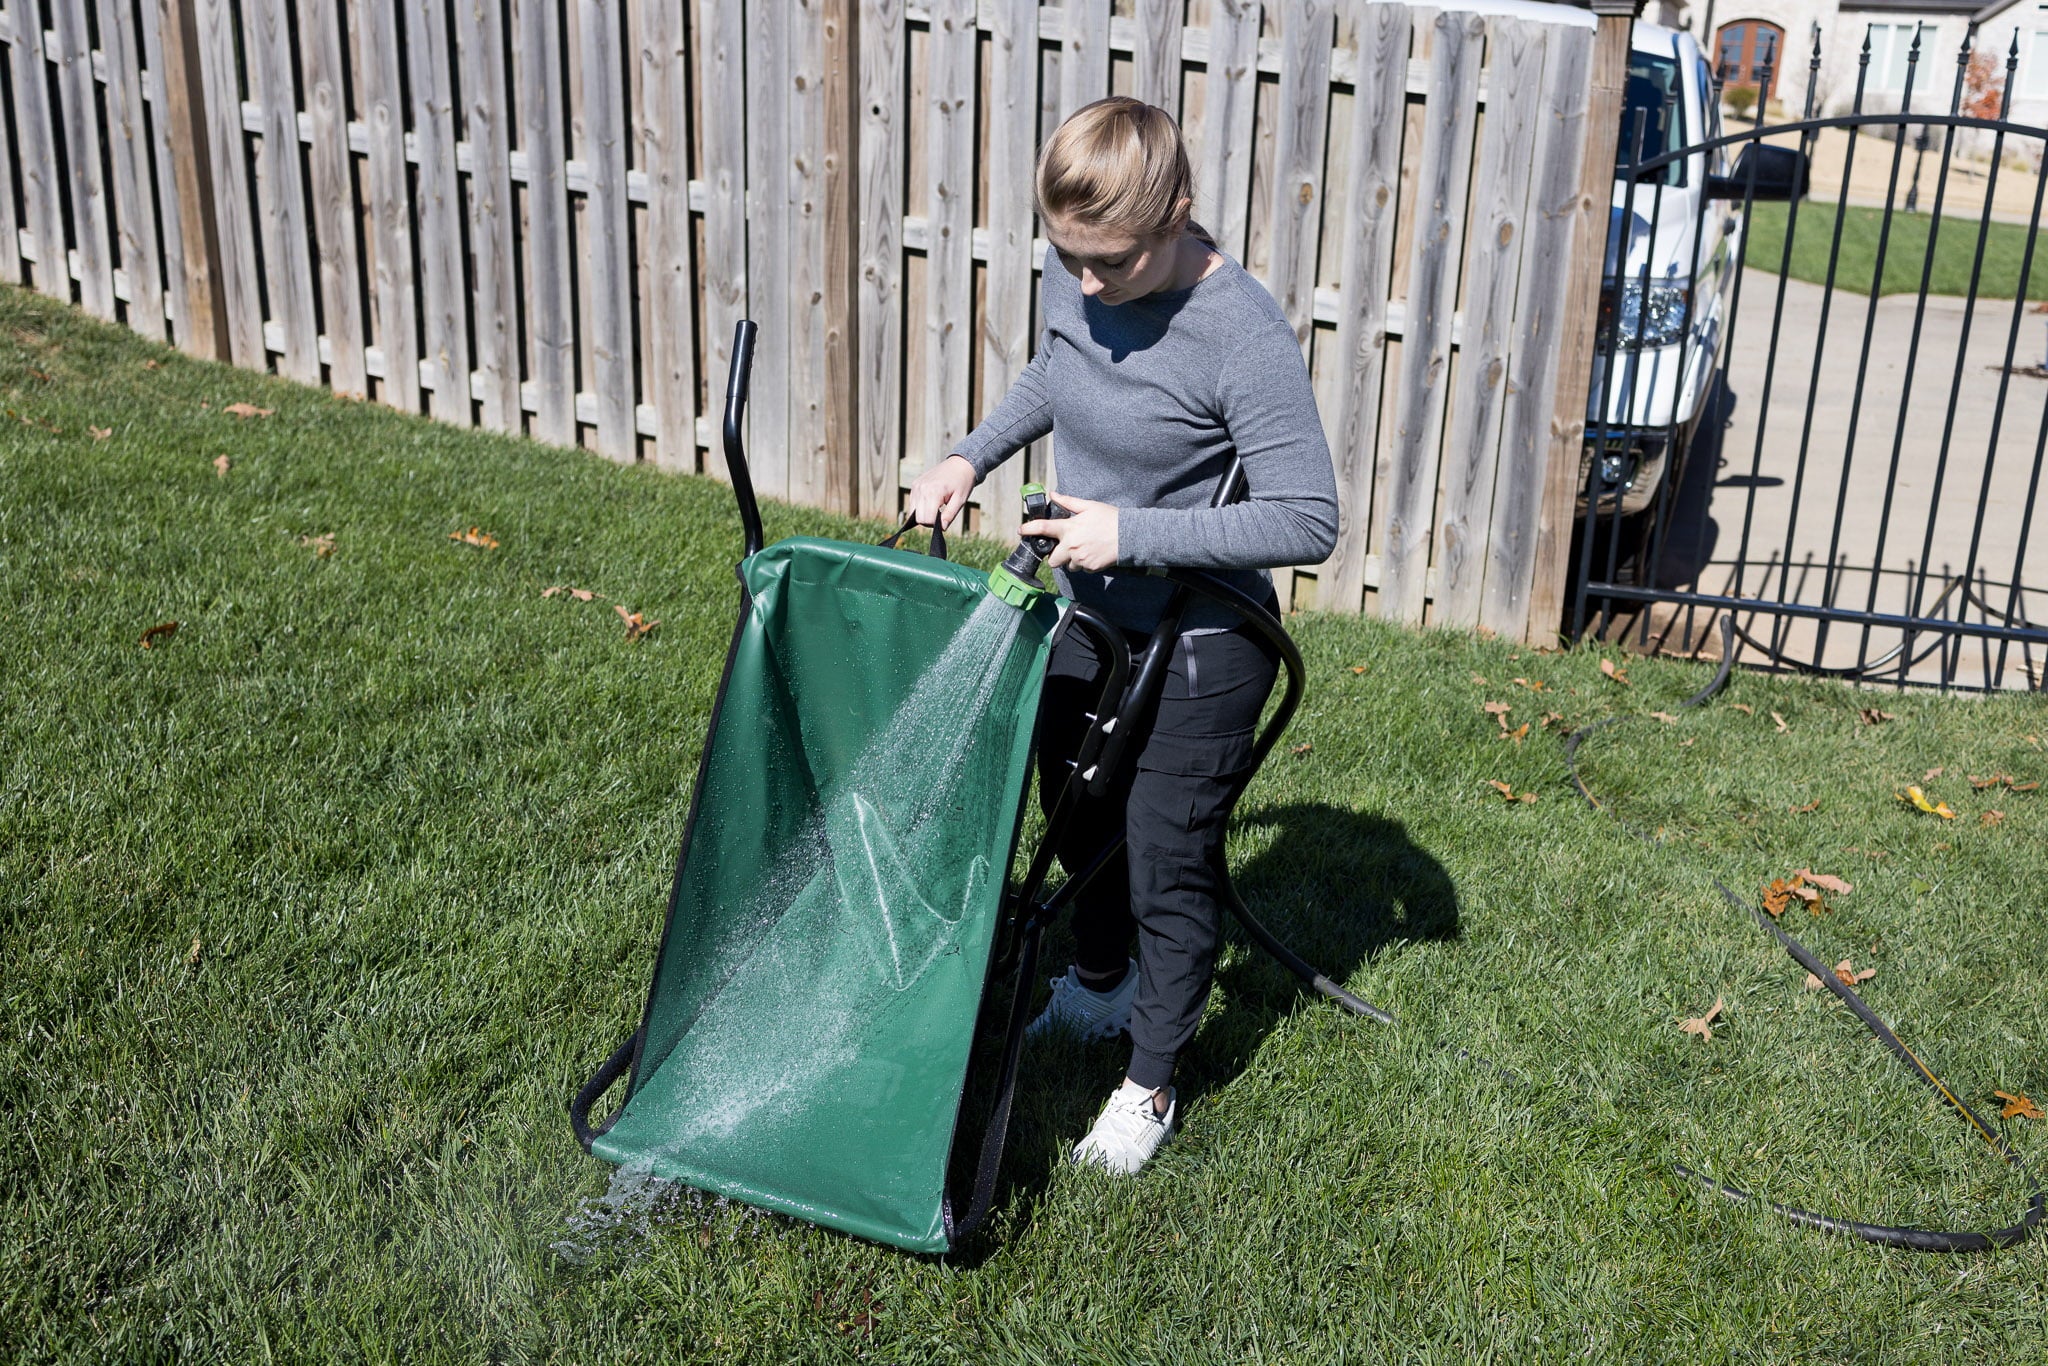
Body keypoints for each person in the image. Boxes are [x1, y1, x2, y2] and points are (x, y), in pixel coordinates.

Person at [905, 96, 1338, 1175]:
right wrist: (971, 455)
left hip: (1203, 642)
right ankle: (1098, 985)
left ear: (1177, 215)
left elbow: (1307, 518)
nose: (1086, 285)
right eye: (1068, 258)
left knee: (1166, 857)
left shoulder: (1241, 331)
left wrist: (1131, 533)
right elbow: (1061, 369)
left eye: (1109, 264)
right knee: (1076, 806)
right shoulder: (1085, 263)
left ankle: (1148, 1086)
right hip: (1089, 617)